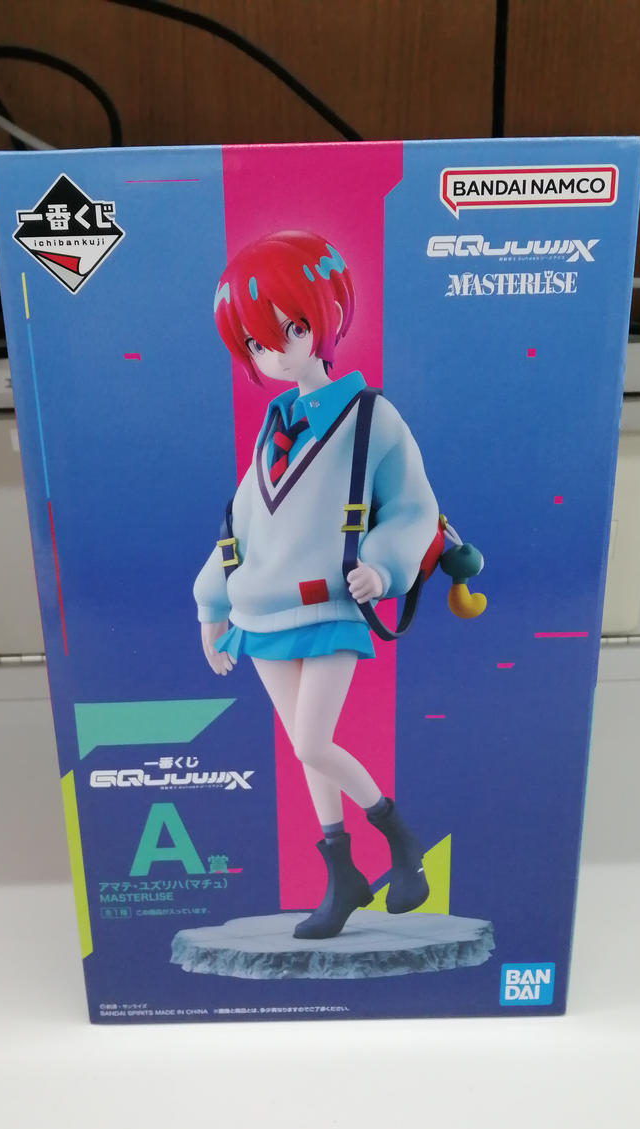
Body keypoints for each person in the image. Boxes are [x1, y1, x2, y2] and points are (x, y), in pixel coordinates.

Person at [193, 229, 439, 940]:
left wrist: (382, 567)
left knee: (310, 743)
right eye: (257, 343)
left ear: (324, 320)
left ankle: (401, 840)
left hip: (331, 604)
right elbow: (241, 525)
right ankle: (344, 874)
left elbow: (414, 507)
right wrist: (212, 602)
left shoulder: (371, 418)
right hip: (261, 613)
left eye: (290, 330)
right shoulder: (273, 428)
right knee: (306, 753)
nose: (276, 352)